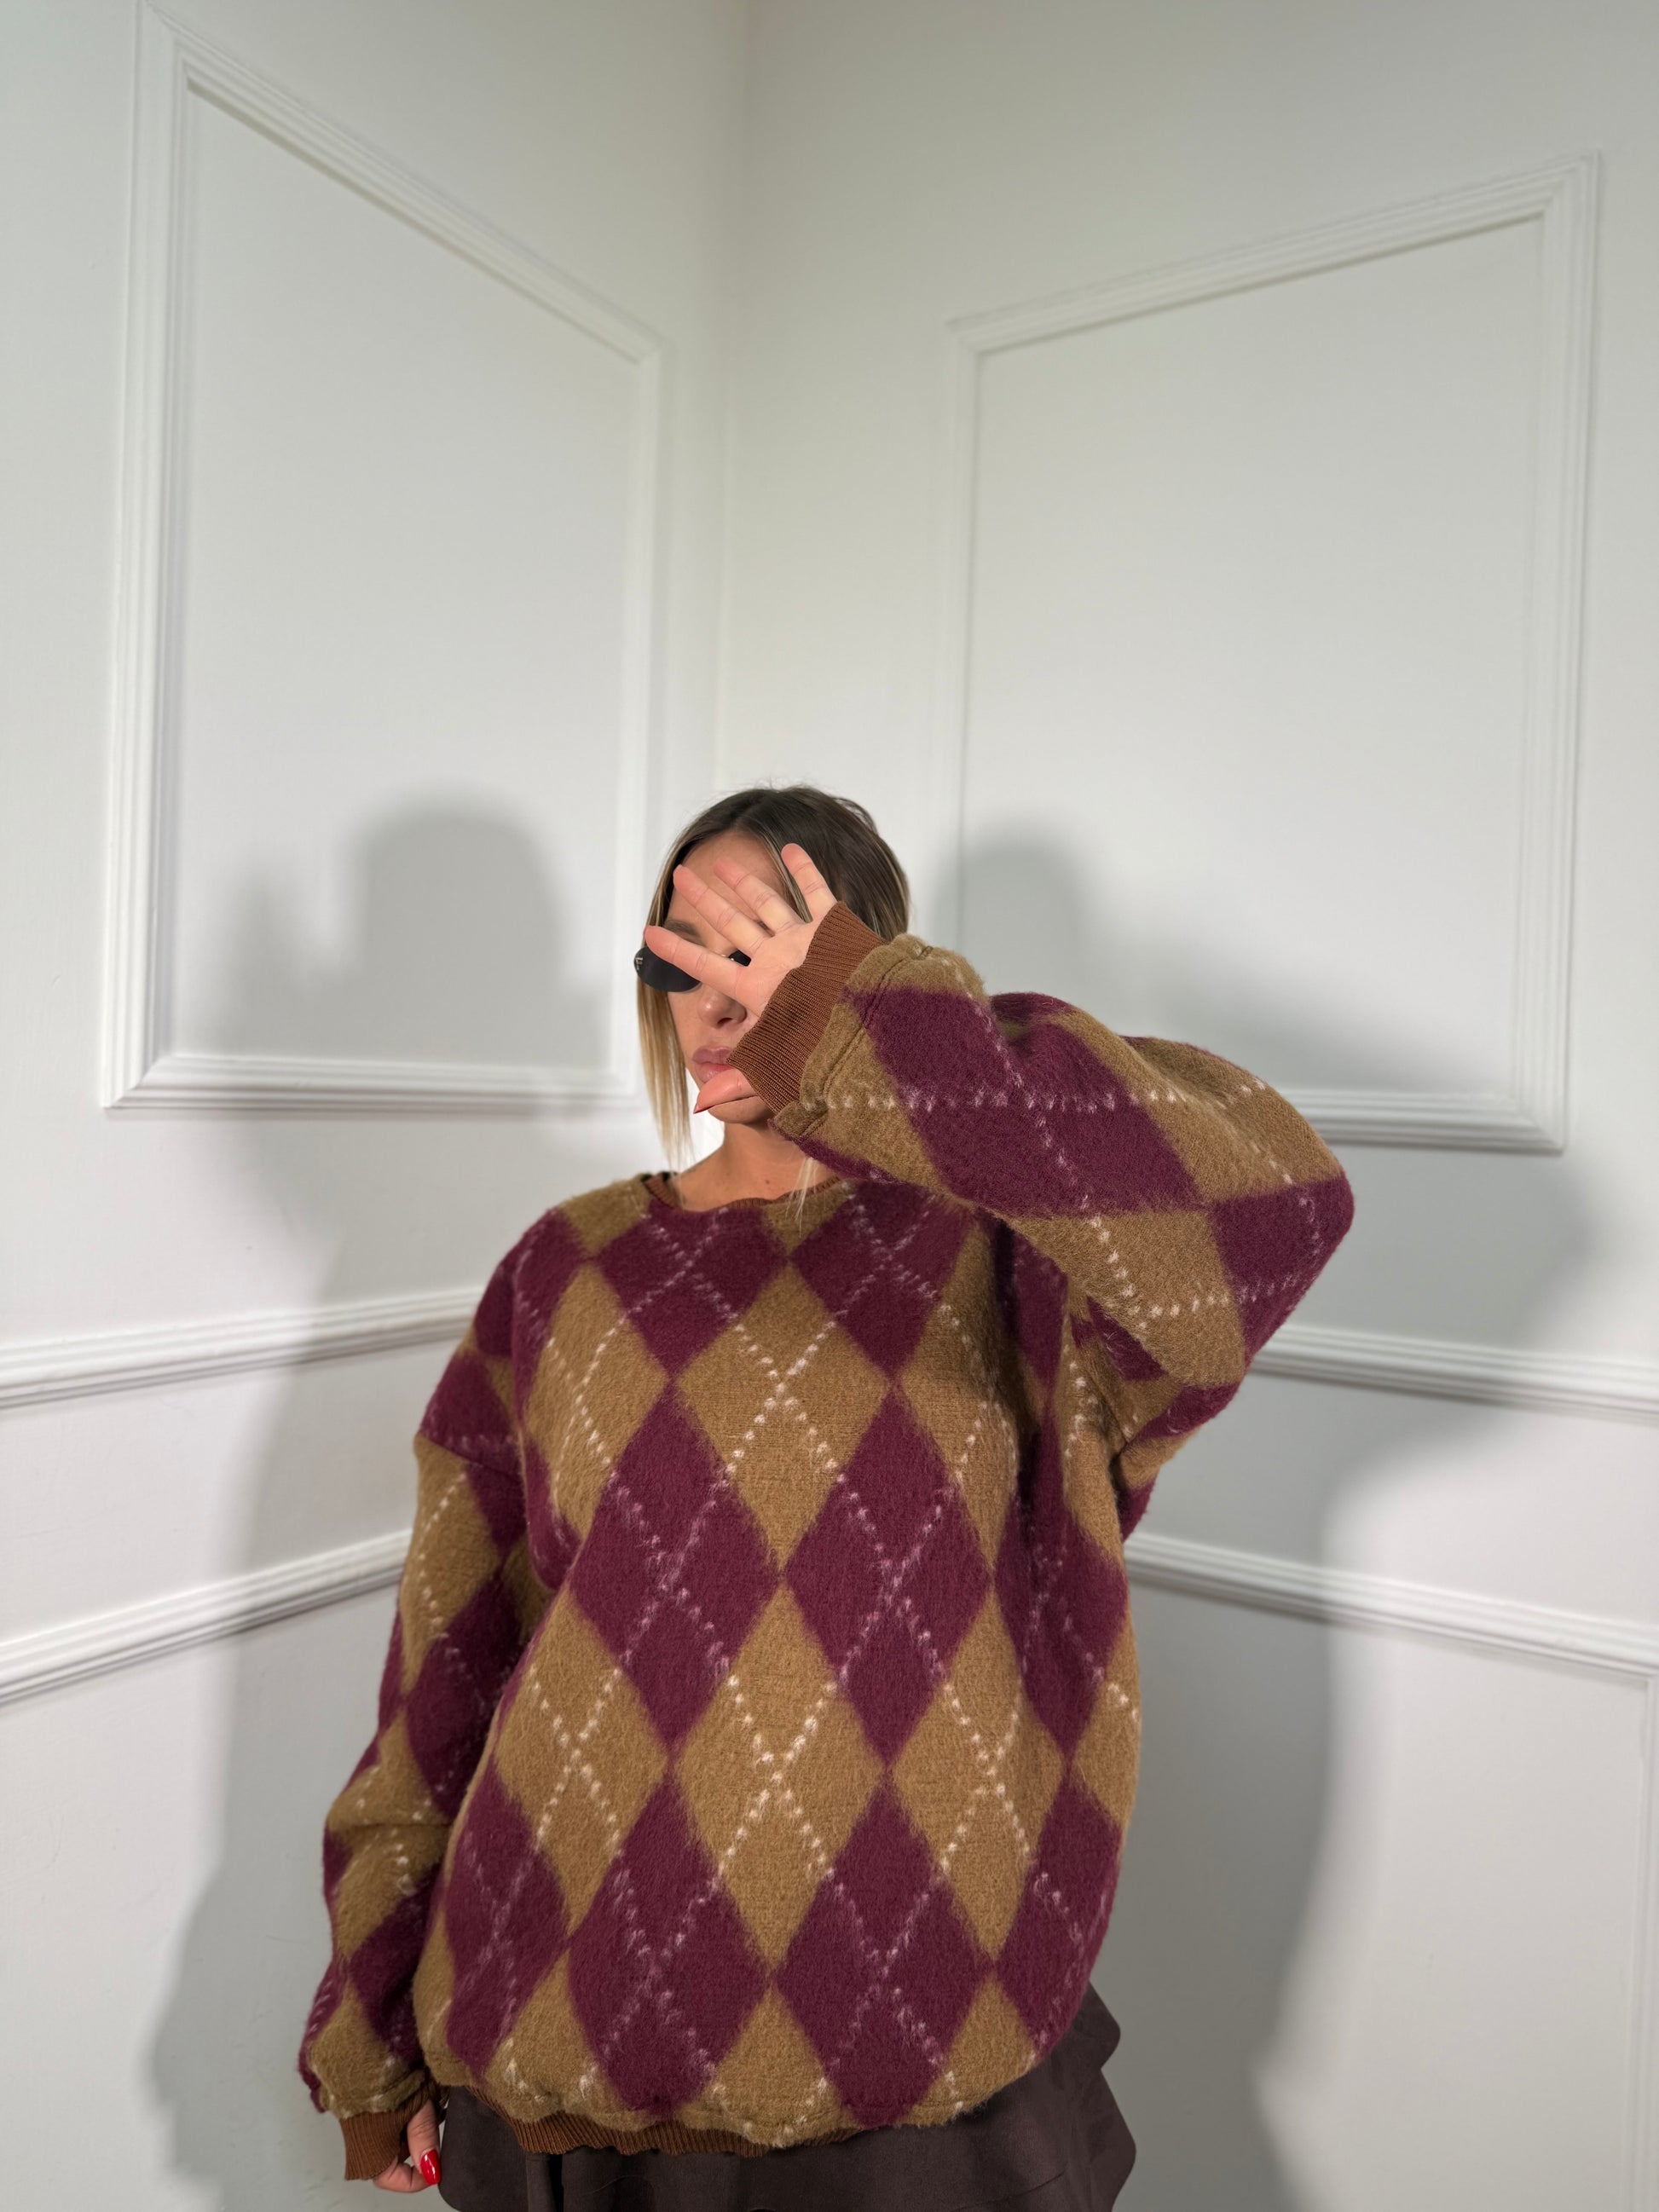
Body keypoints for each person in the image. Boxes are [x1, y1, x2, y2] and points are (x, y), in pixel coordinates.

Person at [296, 783, 1355, 2209]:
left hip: (918, 2059)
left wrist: (865, 1034)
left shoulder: (1026, 1263)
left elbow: (1275, 1209)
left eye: (760, 948)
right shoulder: (569, 1267)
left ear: (856, 964)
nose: (716, 997)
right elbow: (450, 1667)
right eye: (680, 955)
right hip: (554, 2033)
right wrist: (367, 2030)